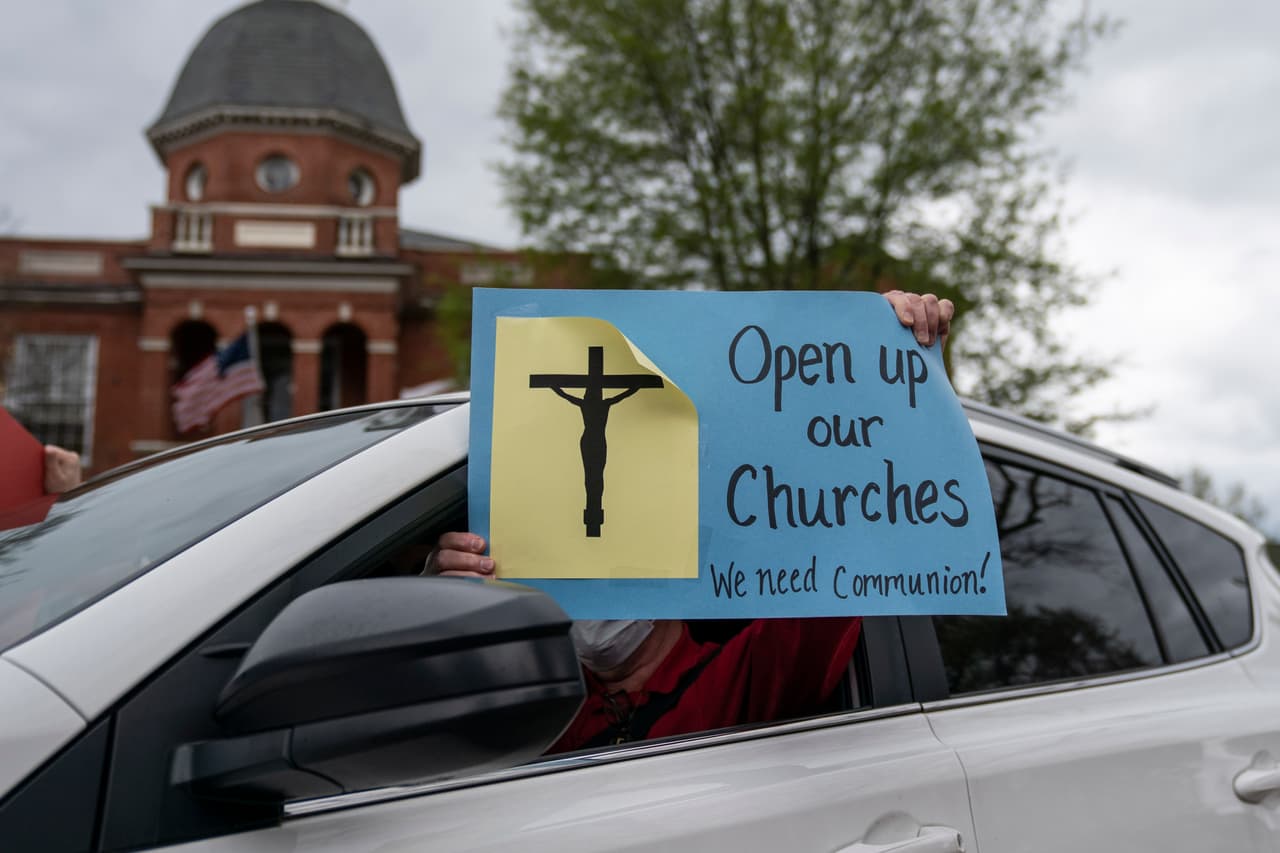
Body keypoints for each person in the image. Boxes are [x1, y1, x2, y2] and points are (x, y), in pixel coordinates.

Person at [432, 290, 954, 753]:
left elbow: (842, 550)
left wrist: (869, 350)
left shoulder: (737, 680)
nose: (591, 571)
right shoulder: (535, 713)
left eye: (620, 542)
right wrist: (442, 608)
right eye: (574, 551)